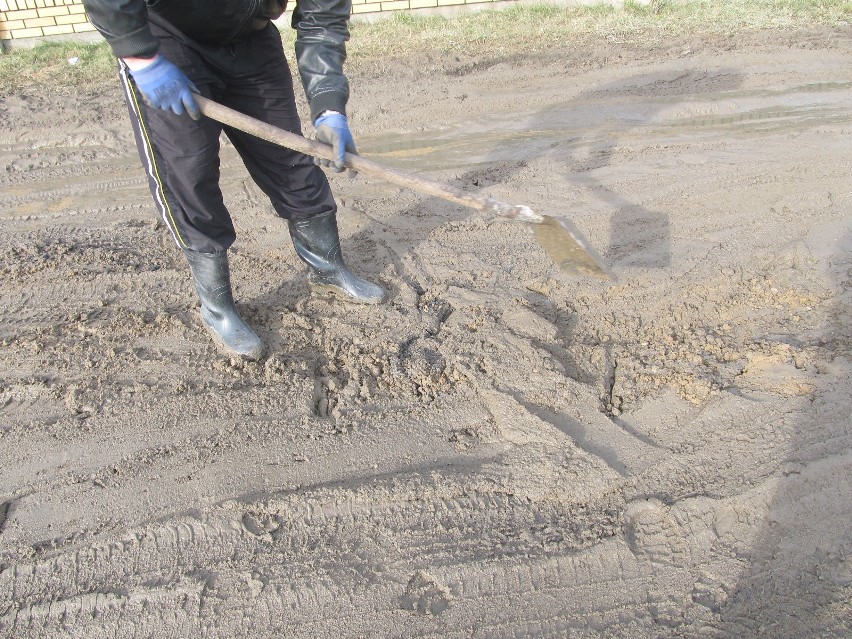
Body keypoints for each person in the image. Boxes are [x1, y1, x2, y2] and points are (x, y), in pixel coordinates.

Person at [81, 0, 386, 361]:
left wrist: (329, 107)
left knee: (290, 162)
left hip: (250, 39)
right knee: (190, 175)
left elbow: (322, 21)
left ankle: (327, 270)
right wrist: (140, 56)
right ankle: (217, 308)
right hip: (167, 42)